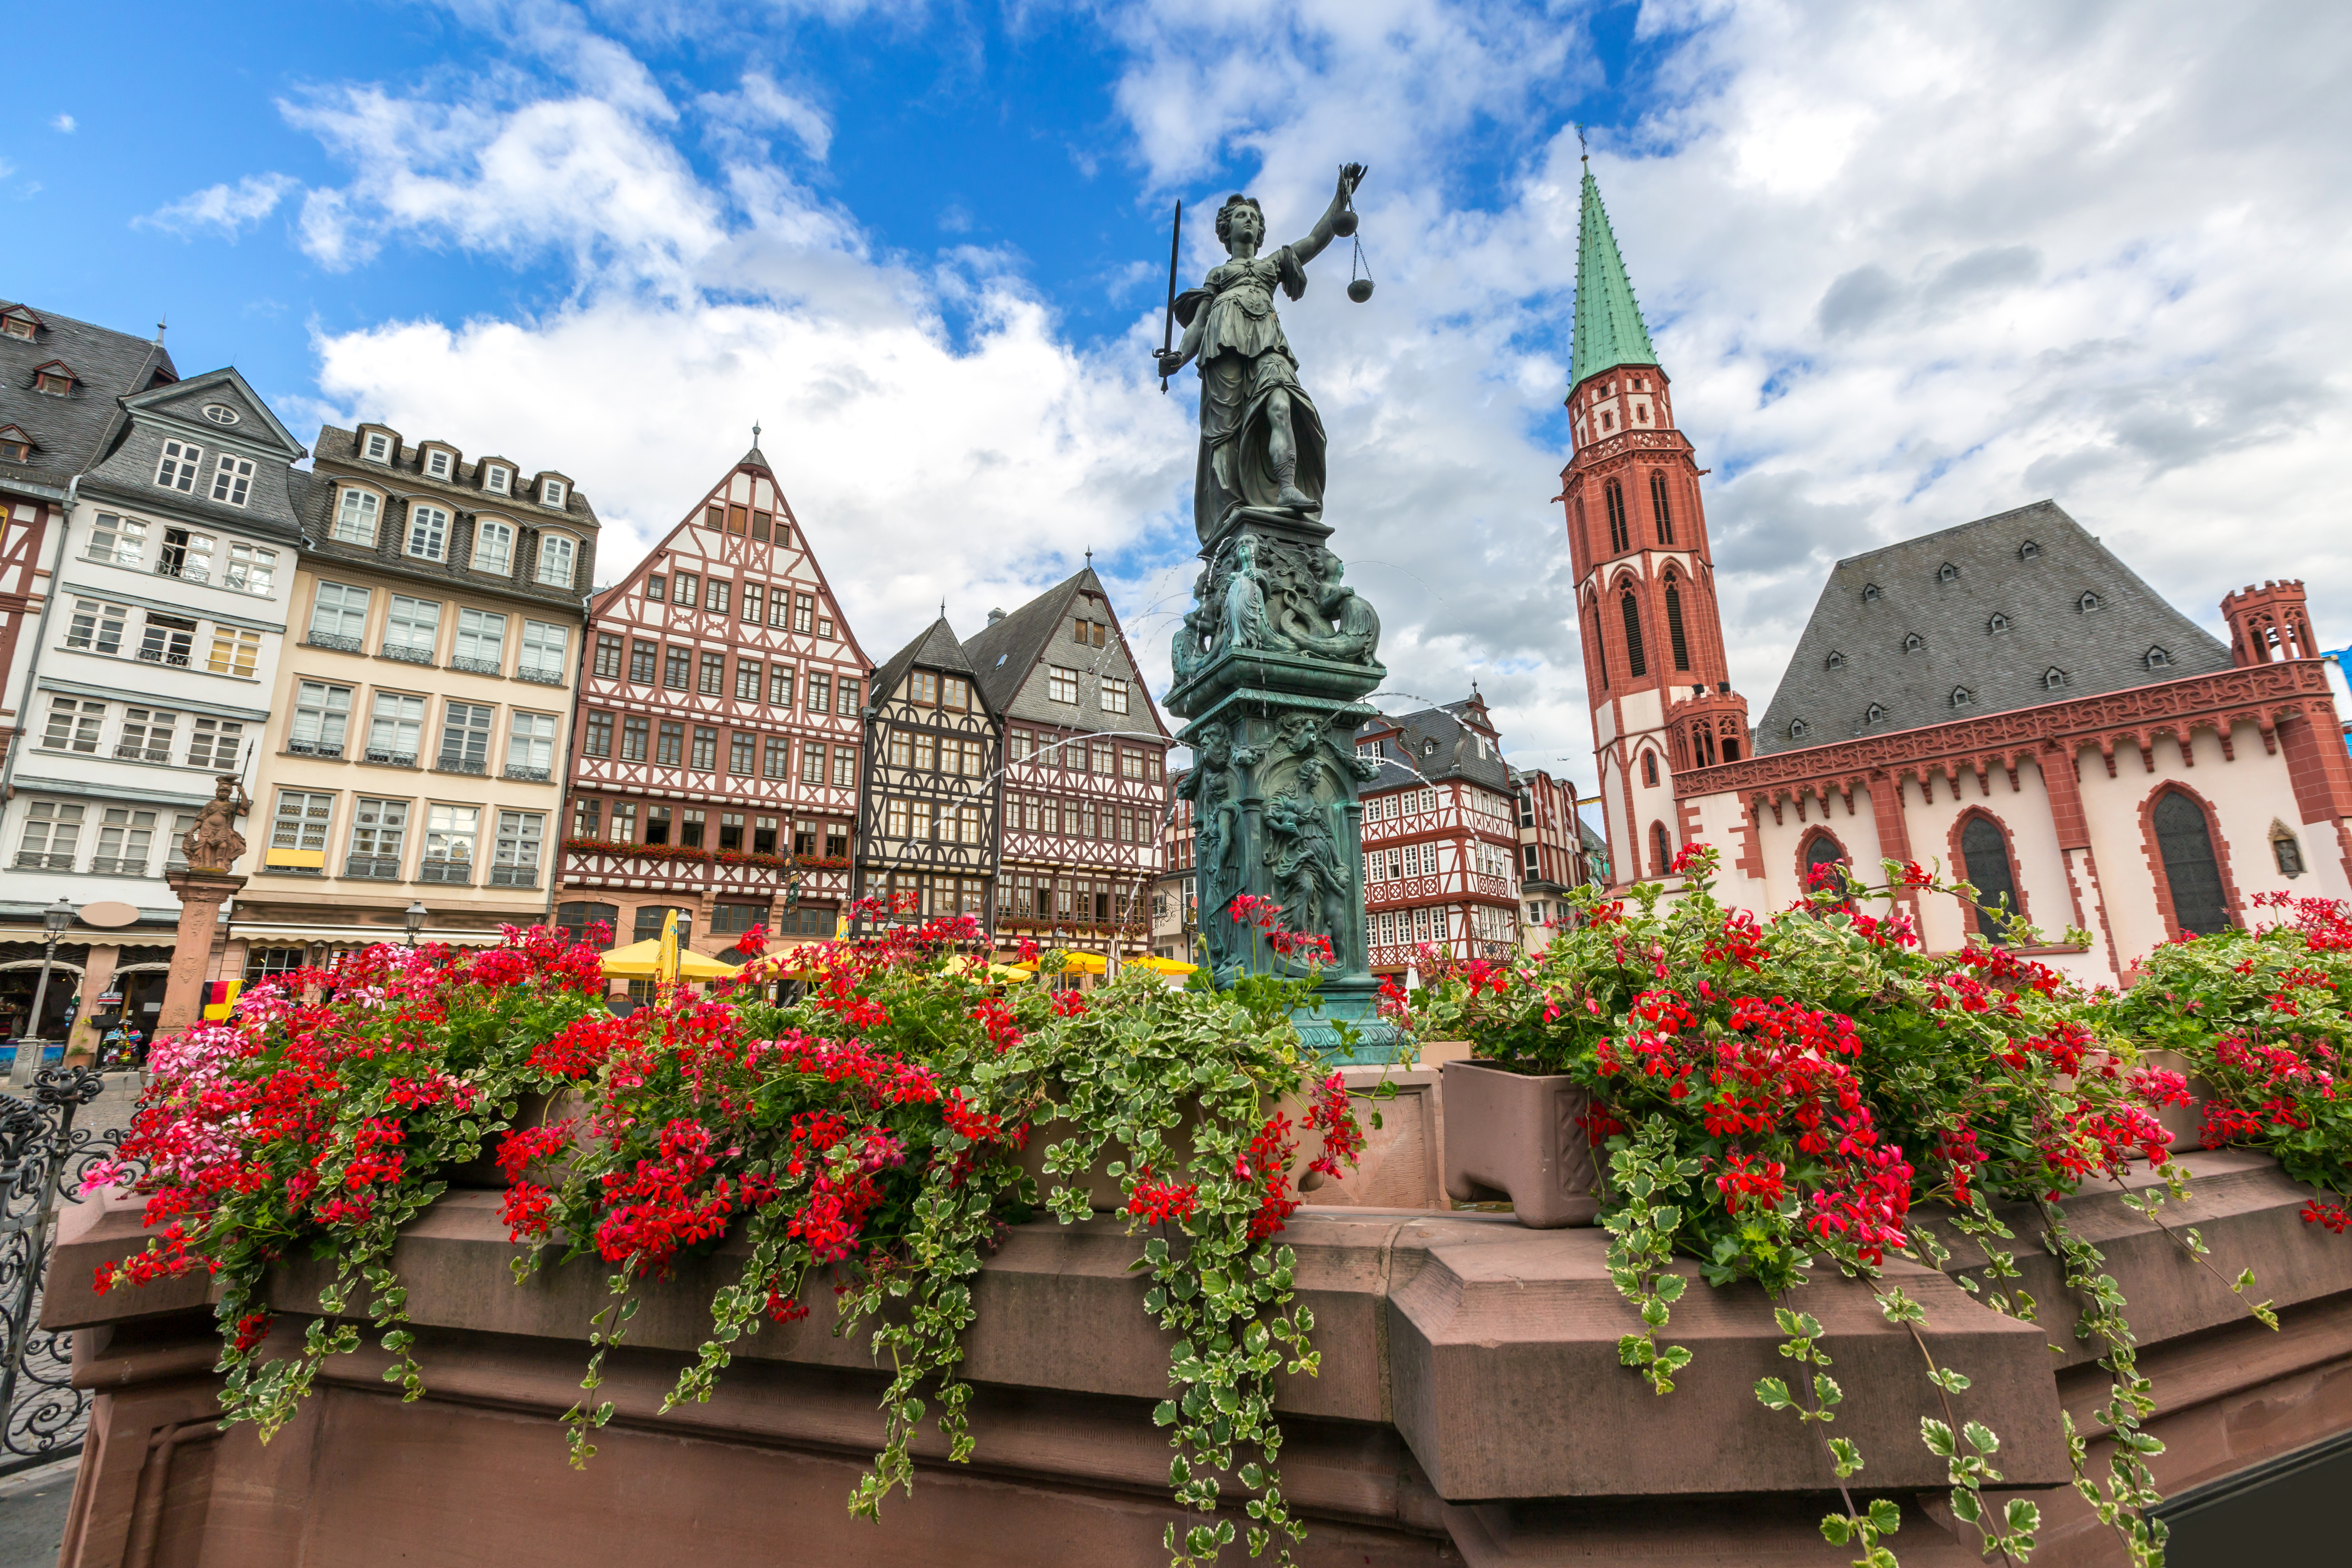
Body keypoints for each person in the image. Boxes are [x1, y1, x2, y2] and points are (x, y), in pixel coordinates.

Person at [1157, 165, 1369, 544]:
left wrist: (1341, 197)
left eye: (1255, 218)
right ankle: (1231, 512)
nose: (1250, 222)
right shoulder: (1218, 275)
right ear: (1227, 229)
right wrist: (1179, 357)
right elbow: (1199, 324)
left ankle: (1287, 486)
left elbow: (1316, 239)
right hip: (1223, 342)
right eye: (1242, 216)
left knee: (1282, 404)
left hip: (1268, 340)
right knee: (1225, 432)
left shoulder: (1272, 265)